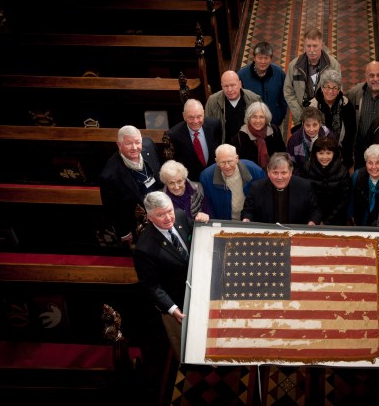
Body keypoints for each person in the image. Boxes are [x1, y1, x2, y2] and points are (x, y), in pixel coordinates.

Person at [132, 191, 209, 401]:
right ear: (149, 217)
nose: (168, 218)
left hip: (199, 287)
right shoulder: (144, 249)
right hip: (176, 300)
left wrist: (201, 221)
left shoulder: (181, 215)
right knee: (183, 341)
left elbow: (194, 231)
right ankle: (191, 363)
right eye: (160, 215)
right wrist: (172, 309)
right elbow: (151, 286)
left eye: (168, 212)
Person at [99, 125, 163, 248]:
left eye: (137, 142)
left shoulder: (149, 145)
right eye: (129, 143)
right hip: (138, 223)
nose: (135, 147)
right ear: (119, 144)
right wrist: (124, 232)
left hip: (160, 210)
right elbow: (112, 209)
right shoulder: (109, 175)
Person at [241, 152, 322, 225]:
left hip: (296, 235)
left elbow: (315, 211)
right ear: (268, 172)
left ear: (290, 172)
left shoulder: (304, 186)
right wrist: (247, 219)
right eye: (275, 172)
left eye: (284, 173)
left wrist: (312, 222)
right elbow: (248, 211)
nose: (279, 177)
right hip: (267, 235)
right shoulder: (257, 187)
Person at [346, 61, 379, 169]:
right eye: (371, 75)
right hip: (361, 147)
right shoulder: (355, 93)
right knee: (360, 177)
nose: (375, 79)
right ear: (366, 76)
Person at [283, 28, 342, 126]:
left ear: (322, 45)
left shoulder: (333, 65)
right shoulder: (294, 66)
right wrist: (300, 115)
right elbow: (288, 92)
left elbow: (337, 90)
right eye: (308, 46)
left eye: (315, 46)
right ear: (304, 46)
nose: (311, 50)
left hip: (325, 119)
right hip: (301, 119)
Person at [199, 143, 265, 220]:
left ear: (237, 158)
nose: (227, 166)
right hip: (223, 223)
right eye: (223, 162)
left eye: (230, 161)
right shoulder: (206, 177)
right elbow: (208, 205)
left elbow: (263, 199)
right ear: (216, 161)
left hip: (249, 221)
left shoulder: (255, 171)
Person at [308, 69, 357, 169]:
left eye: (335, 88)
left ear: (339, 89)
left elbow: (350, 135)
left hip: (340, 155)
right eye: (327, 87)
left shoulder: (346, 105)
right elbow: (308, 133)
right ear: (322, 87)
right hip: (318, 155)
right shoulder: (312, 106)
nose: (330, 91)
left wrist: (347, 160)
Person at [167, 98, 222, 181]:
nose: (196, 121)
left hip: (214, 176)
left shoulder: (215, 125)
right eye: (191, 118)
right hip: (192, 180)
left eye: (199, 117)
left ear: (203, 113)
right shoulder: (174, 134)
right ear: (184, 116)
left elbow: (219, 147)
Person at [237, 41, 288, 131]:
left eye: (266, 58)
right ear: (254, 58)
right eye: (260, 58)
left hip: (274, 122)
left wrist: (280, 115)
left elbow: (284, 96)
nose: (263, 61)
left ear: (271, 58)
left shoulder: (279, 73)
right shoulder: (242, 75)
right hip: (252, 124)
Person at [302, 136, 351, 225]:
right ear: (315, 154)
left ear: (334, 154)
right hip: (312, 219)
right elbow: (305, 197)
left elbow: (343, 200)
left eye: (328, 153)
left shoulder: (343, 172)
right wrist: (315, 219)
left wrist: (326, 221)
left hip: (336, 219)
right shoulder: (307, 168)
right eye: (321, 153)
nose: (324, 157)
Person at [205, 70, 262, 144]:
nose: (229, 90)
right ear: (221, 86)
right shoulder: (212, 101)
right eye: (225, 86)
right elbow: (207, 128)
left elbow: (263, 125)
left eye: (232, 85)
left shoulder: (254, 99)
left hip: (249, 145)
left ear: (240, 84)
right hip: (225, 148)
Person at [230, 101, 286, 170]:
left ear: (266, 118)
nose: (258, 121)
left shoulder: (274, 131)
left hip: (274, 173)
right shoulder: (239, 137)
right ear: (249, 118)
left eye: (261, 117)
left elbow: (283, 154)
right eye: (254, 117)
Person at [348, 144, 379, 227]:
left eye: (378, 163)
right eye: (370, 163)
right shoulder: (357, 175)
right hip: (361, 223)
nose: (373, 167)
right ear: (366, 163)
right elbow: (351, 199)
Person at [286, 106, 337, 177]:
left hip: (324, 177)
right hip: (303, 178)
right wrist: (302, 180)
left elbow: (335, 160)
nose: (311, 129)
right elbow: (291, 164)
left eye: (315, 125)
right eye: (307, 125)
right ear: (303, 124)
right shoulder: (294, 140)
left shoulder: (329, 136)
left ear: (320, 123)